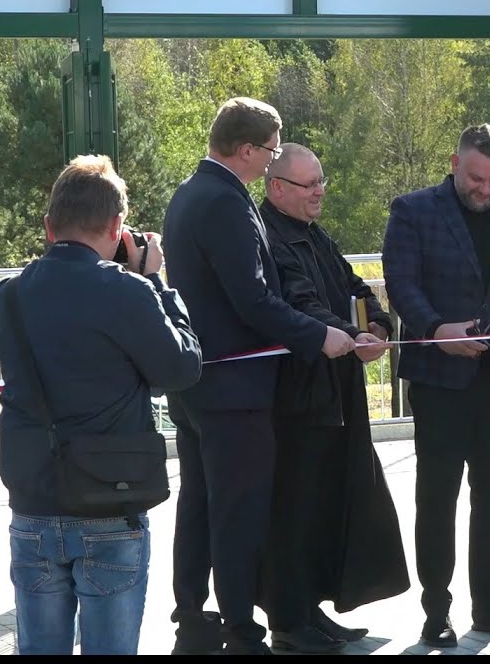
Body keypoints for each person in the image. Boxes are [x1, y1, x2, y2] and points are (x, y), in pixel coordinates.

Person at [0, 154, 202, 655]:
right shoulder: (128, 292)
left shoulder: (5, 297)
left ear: (47, 226)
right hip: (110, 504)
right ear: (117, 225)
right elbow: (182, 369)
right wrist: (156, 284)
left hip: (34, 504)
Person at [162, 98, 358, 655]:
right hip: (235, 392)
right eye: (272, 150)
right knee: (238, 516)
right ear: (246, 150)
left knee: (199, 508)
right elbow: (252, 298)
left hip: (200, 386)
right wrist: (319, 336)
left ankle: (193, 622)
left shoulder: (188, 193)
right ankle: (242, 633)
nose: (273, 161)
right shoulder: (226, 201)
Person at [382, 123, 490, 648]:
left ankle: (488, 606)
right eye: (477, 179)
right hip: (439, 383)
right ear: (455, 163)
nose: (486, 190)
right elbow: (400, 283)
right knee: (436, 499)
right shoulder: (413, 210)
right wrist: (436, 331)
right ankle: (437, 611)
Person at [254, 143, 410, 653]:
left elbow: (353, 285)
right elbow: (300, 302)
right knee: (297, 509)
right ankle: (288, 618)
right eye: (309, 184)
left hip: (337, 392)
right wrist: (351, 334)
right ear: (277, 188)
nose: (320, 191)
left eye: (322, 181)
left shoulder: (314, 234)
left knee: (329, 505)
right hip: (299, 398)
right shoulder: (270, 238)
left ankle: (312, 609)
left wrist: (378, 323)